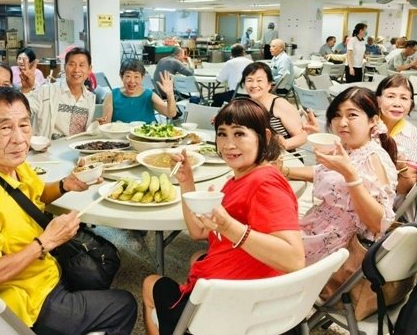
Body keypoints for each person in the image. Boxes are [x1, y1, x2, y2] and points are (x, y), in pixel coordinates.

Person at [0, 87, 137, 334]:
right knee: (124, 305)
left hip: (42, 270)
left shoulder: (12, 166)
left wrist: (66, 184)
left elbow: (37, 194)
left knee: (101, 270)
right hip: (25, 299)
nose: (20, 138)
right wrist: (46, 242)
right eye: (5, 127)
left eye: (24, 125)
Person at [142, 98, 304, 335]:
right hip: (253, 294)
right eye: (222, 134)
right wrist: (186, 181)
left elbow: (294, 259)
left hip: (233, 309)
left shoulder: (265, 184)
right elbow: (198, 232)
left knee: (149, 284)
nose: (228, 144)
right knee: (198, 257)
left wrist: (229, 226)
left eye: (239, 134)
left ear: (264, 137)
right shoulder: (241, 178)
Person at [283, 87, 397, 264]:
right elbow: (323, 173)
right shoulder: (349, 148)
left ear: (373, 121)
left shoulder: (374, 157)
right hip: (318, 228)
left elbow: (378, 225)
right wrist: (285, 171)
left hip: (341, 246)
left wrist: (350, 175)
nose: (342, 122)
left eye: (352, 115)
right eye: (337, 115)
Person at [22, 47, 98, 140]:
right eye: (72, 64)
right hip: (47, 151)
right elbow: (22, 112)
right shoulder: (46, 91)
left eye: (81, 65)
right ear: (65, 67)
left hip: (76, 151)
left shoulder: (90, 98)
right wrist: (26, 89)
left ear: (89, 69)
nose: (76, 69)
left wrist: (94, 125)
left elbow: (84, 132)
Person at [375, 74, 417, 196]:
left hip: (392, 201)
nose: (397, 103)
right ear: (378, 100)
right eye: (390, 96)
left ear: (411, 104)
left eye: (404, 98)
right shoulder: (364, 126)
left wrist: (402, 167)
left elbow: (405, 189)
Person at [241, 62, 307, 151]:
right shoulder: (245, 104)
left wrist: (285, 144)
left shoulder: (279, 104)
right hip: (253, 156)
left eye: (259, 80)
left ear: (269, 84)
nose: (254, 85)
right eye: (249, 80)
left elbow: (302, 136)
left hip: (281, 156)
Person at [104, 59, 176, 123]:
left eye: (136, 77)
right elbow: (106, 126)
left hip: (147, 137)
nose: (132, 81)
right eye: (128, 76)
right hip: (120, 137)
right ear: (121, 76)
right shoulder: (112, 95)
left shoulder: (149, 95)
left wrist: (170, 95)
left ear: (142, 77)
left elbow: (171, 114)